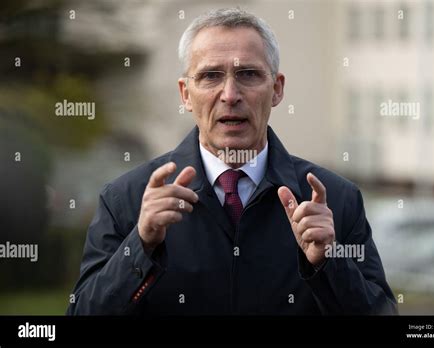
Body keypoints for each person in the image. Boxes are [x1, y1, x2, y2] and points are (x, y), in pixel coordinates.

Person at [67, 8, 398, 315]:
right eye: (211, 75)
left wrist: (329, 263)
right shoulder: (126, 199)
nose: (229, 94)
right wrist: (140, 245)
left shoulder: (336, 201)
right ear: (185, 94)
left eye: (248, 74)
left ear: (277, 89)